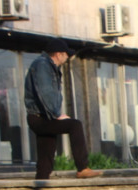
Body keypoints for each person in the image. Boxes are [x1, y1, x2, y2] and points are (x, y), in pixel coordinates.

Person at [24, 38, 102, 180]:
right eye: (66, 55)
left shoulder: (48, 66)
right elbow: (45, 92)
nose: (67, 58)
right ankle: (82, 168)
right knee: (74, 125)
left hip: (41, 117)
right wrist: (56, 114)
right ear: (59, 54)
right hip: (41, 117)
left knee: (46, 155)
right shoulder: (43, 65)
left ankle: (41, 184)